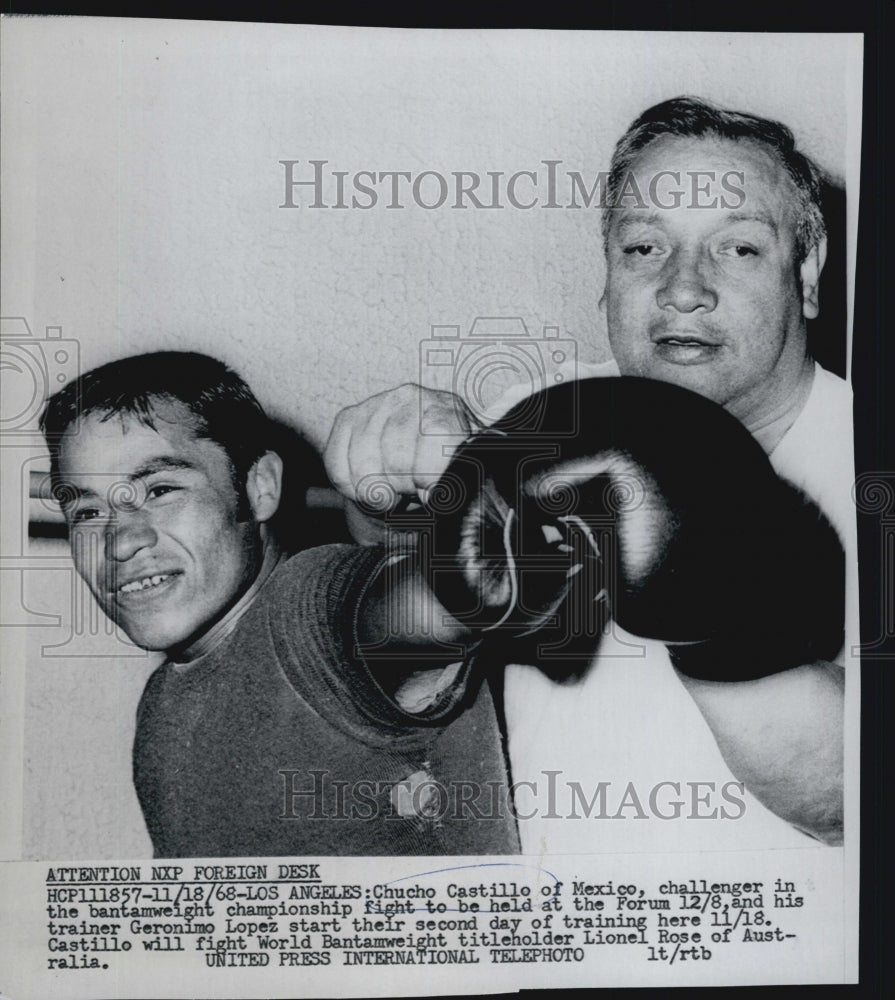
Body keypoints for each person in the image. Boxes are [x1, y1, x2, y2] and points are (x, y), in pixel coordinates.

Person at [324, 96, 856, 851]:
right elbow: (390, 669)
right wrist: (386, 492)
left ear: (805, 274)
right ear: (606, 274)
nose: (682, 288)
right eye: (644, 248)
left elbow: (845, 804)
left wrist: (701, 587)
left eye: (736, 249)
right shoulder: (536, 418)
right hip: (558, 942)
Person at [40, 351, 519, 857]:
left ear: (259, 487)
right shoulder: (163, 701)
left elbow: (472, 590)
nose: (118, 542)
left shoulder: (308, 612)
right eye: (88, 510)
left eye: (159, 489)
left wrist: (462, 475)